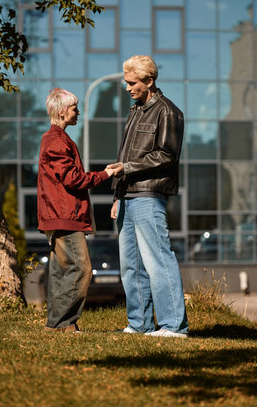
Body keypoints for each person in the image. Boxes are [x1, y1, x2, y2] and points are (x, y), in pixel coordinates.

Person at [109, 55, 189, 337]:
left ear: (149, 81)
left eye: (132, 83)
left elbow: (167, 155)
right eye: (126, 82)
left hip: (150, 195)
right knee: (131, 265)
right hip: (128, 196)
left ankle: (173, 326)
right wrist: (118, 195)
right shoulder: (135, 111)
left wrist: (127, 168)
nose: (127, 87)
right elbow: (125, 156)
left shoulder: (168, 112)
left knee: (158, 260)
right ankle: (139, 323)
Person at [37, 88, 122, 333]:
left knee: (61, 271)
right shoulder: (56, 141)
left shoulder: (55, 138)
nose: (78, 112)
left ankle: (56, 324)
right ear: (63, 112)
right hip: (64, 217)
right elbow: (73, 180)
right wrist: (105, 174)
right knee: (81, 269)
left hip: (59, 216)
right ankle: (63, 323)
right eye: (74, 108)